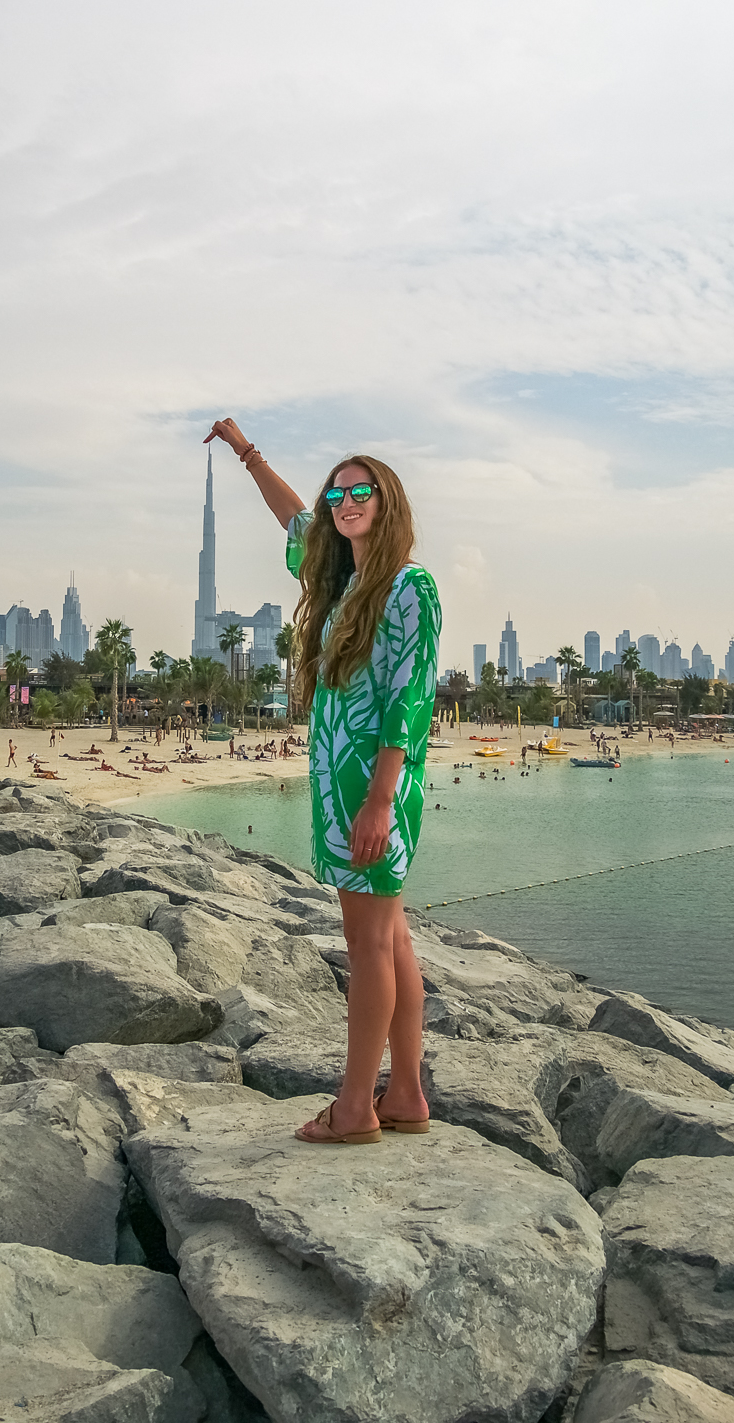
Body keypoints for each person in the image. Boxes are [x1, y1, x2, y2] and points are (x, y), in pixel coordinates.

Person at [206, 417, 440, 1145]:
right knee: (390, 937)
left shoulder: (409, 587)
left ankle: (353, 1106)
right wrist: (247, 454)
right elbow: (295, 519)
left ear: (386, 500)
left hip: (372, 786)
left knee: (367, 943)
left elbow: (410, 699)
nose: (345, 502)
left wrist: (378, 799)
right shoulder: (345, 586)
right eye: (338, 493)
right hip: (338, 783)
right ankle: (403, 1094)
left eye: (361, 491)